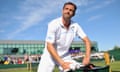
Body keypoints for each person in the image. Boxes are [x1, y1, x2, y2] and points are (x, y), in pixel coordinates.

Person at [37, 2, 91, 72]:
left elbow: (87, 40)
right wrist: (62, 63)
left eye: (71, 10)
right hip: (49, 55)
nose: (68, 11)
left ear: (73, 14)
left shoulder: (76, 26)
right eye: (66, 9)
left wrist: (87, 57)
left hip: (65, 55)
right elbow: (49, 46)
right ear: (62, 10)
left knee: (78, 69)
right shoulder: (53, 24)